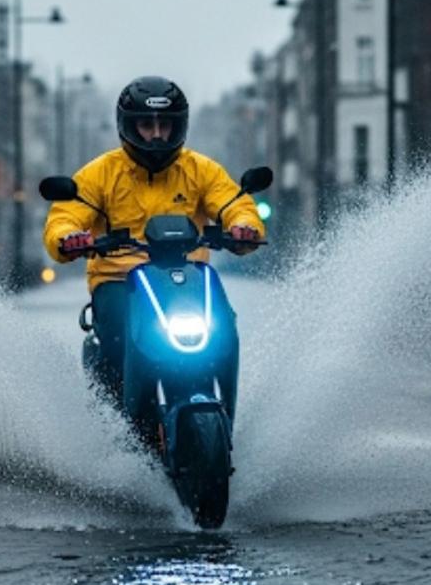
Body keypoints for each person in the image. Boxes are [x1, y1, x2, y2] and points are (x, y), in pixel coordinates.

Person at [42, 75, 265, 398]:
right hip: (119, 280)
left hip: (188, 276)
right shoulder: (98, 174)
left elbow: (234, 203)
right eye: (147, 125)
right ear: (129, 126)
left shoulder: (203, 170)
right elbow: (65, 216)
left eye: (166, 125)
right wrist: (69, 237)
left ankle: (222, 404)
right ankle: (117, 420)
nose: (158, 134)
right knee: (118, 339)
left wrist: (245, 227)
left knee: (223, 330)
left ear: (180, 126)